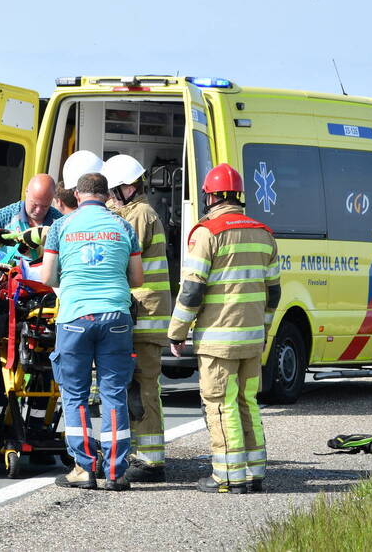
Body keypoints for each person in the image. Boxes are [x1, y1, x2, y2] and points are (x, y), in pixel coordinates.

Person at [169, 163, 280, 494]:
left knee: (220, 404)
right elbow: (273, 292)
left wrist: (177, 331)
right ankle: (255, 471)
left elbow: (192, 290)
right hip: (251, 339)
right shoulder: (264, 234)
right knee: (248, 401)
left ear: (211, 197)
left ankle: (227, 477)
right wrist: (263, 330)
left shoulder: (208, 234)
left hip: (218, 341)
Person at [42, 172, 144, 491]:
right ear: (105, 195)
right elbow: (137, 279)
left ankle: (84, 469)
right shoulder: (124, 227)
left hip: (74, 317)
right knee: (114, 394)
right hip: (116, 315)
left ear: (77, 194)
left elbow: (47, 276)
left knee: (75, 395)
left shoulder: (61, 226)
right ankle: (115, 472)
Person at [102, 154, 172, 482]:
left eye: (114, 192)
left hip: (146, 316)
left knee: (143, 387)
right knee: (135, 386)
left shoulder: (140, 214)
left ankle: (151, 460)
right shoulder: (131, 211)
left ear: (128, 187)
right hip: (138, 313)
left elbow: (121, 255)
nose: (111, 198)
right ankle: (139, 452)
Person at [0, 174, 62, 266]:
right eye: (34, 204)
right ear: (26, 191)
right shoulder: (6, 215)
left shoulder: (59, 223)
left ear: (52, 200)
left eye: (45, 206)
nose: (38, 210)